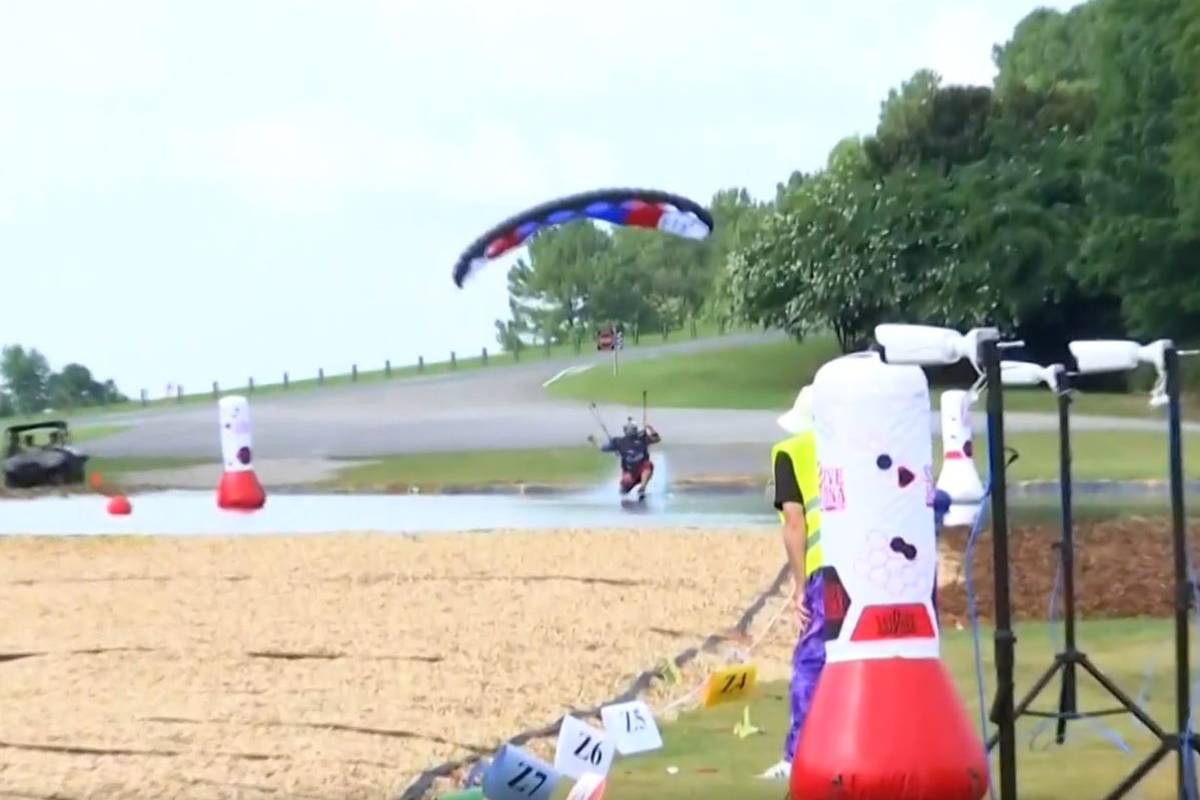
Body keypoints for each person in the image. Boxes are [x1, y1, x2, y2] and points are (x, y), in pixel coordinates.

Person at [761, 384, 824, 781]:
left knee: (811, 661)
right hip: (868, 569)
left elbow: (794, 523)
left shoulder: (790, 452)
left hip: (824, 571)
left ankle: (797, 757)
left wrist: (800, 586)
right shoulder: (858, 448)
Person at [588, 418, 661, 501]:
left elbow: (657, 439)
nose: (630, 431)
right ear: (625, 430)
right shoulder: (619, 442)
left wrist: (650, 428)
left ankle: (642, 488)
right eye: (628, 429)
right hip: (629, 471)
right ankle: (626, 490)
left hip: (642, 469)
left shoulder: (642, 438)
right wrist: (594, 441)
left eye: (632, 429)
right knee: (624, 490)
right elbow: (603, 448)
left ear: (635, 429)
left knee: (647, 465)